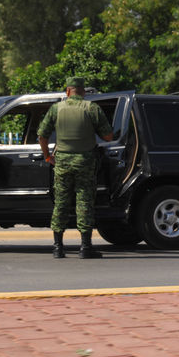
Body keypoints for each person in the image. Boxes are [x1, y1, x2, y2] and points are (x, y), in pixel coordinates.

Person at [37, 77, 113, 259]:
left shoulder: (56, 108)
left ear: (67, 91)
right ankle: (85, 247)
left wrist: (47, 156)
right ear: (83, 91)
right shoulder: (92, 108)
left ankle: (58, 247)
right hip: (85, 162)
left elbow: (42, 136)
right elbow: (109, 137)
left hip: (62, 162)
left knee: (61, 203)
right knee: (84, 202)